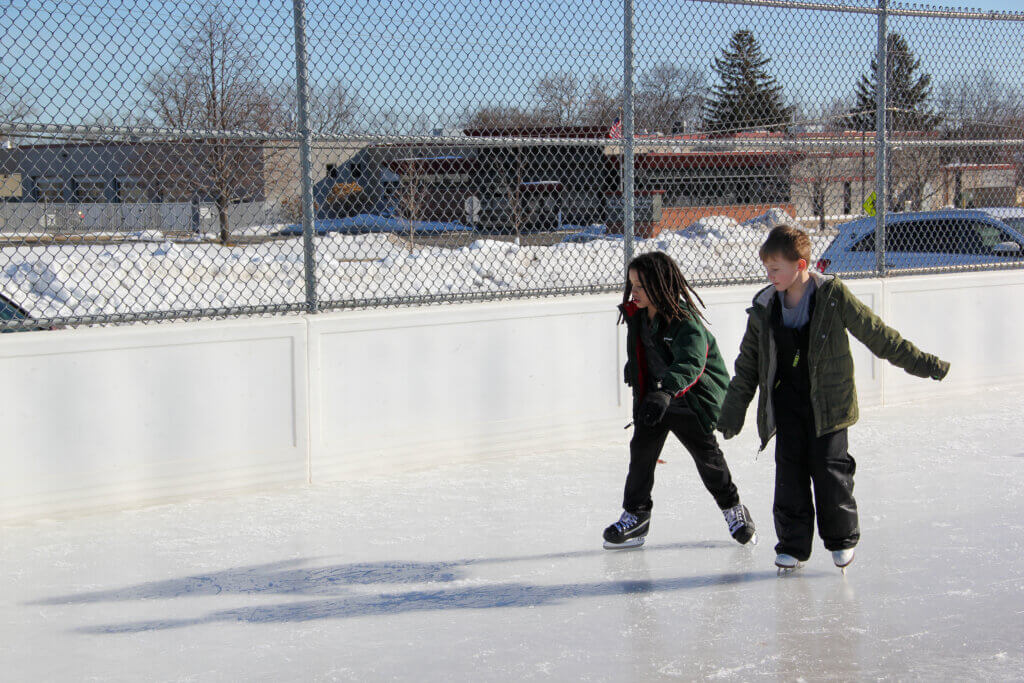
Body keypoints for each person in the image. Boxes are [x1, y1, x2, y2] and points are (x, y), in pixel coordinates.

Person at [717, 225, 949, 573]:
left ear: (801, 265)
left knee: (829, 471)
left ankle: (842, 539)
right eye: (767, 269)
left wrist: (924, 364)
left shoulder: (833, 295)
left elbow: (879, 335)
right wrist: (733, 412)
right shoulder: (765, 306)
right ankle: (792, 546)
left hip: (829, 404)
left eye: (776, 268)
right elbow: (747, 365)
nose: (770, 276)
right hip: (787, 404)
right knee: (790, 476)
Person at [604, 251, 756, 549]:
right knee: (641, 457)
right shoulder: (637, 315)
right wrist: (634, 368)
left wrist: (666, 391)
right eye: (631, 284)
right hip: (654, 400)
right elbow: (645, 348)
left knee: (708, 459)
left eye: (640, 286)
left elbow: (691, 361)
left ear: (661, 286)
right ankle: (636, 516)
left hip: (688, 401)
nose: (633, 291)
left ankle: (733, 508)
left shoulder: (684, 322)